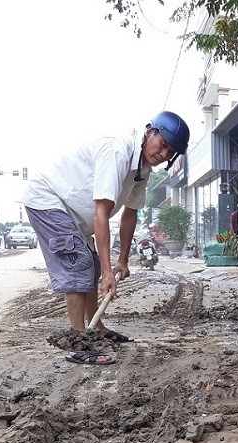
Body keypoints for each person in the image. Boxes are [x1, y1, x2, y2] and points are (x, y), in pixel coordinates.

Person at [23, 111, 190, 365]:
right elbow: (102, 214)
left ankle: (96, 327)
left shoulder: (143, 169)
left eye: (171, 152)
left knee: (89, 267)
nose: (164, 155)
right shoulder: (118, 152)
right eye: (163, 145)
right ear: (149, 132)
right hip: (49, 200)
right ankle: (78, 341)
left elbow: (129, 213)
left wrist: (122, 261)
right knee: (79, 263)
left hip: (76, 215)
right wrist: (107, 272)